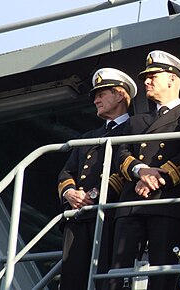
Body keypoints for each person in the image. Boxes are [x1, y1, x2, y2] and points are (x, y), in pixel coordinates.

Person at [106, 50, 180, 290]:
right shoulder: (136, 122)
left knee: (163, 274)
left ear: (172, 79)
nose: (146, 81)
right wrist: (141, 171)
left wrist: (158, 177)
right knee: (118, 272)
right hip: (132, 205)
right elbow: (122, 153)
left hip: (168, 202)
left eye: (152, 76)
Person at [57, 67, 137, 290]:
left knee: (104, 281)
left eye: (101, 94)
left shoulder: (136, 128)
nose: (96, 101)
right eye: (95, 96)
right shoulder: (88, 137)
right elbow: (67, 173)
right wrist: (70, 193)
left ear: (120, 94)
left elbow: (127, 170)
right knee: (73, 281)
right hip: (79, 217)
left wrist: (94, 195)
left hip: (111, 215)